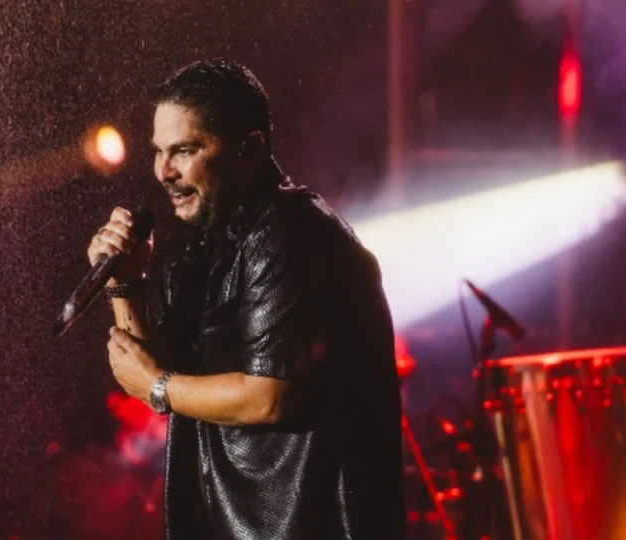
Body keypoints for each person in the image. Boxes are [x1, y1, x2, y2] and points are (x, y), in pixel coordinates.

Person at [86, 59, 406, 539]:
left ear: (248, 148)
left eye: (185, 150)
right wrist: (124, 284)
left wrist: (158, 384)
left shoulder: (289, 233)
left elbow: (269, 395)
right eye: (158, 151)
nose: (164, 171)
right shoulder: (200, 243)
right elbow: (156, 374)